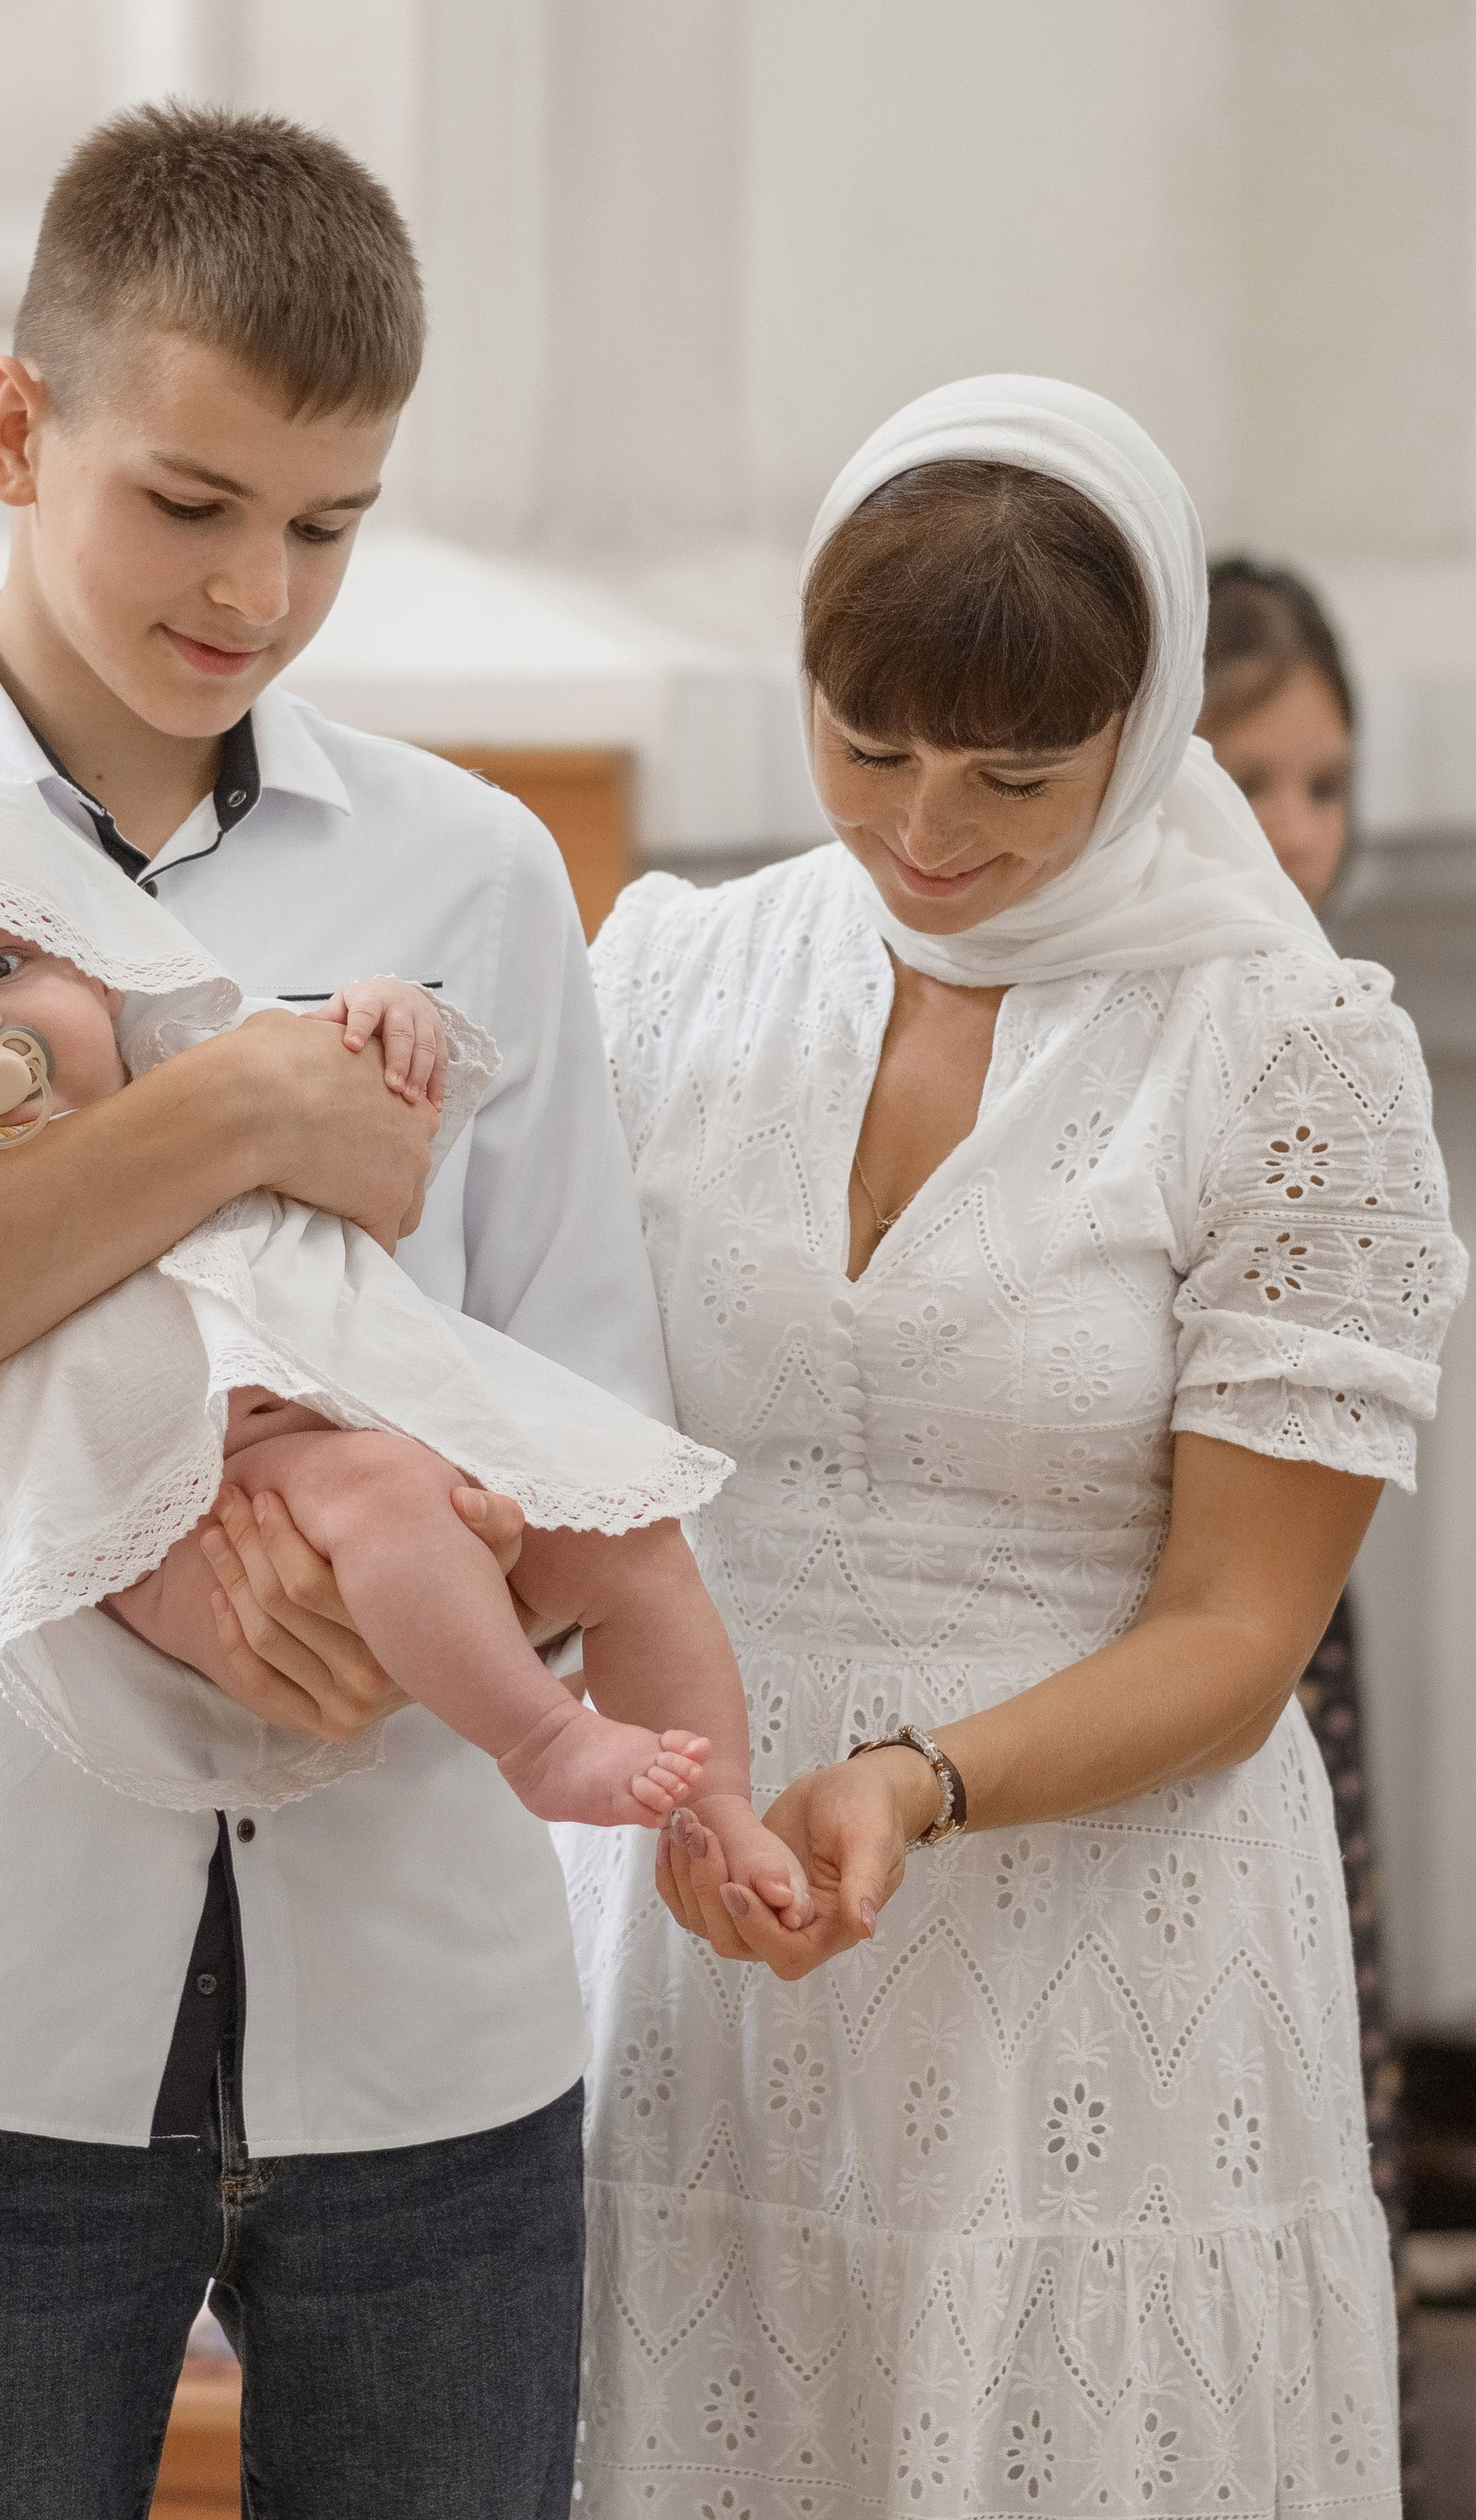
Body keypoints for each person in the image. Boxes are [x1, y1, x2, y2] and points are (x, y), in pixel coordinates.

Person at [0, 105, 671, 2520]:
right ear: (17, 426)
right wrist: (234, 1114)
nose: (258, 593)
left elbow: (585, 1394)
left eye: (329, 525)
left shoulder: (475, 871)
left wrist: (417, 1600)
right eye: (190, 503)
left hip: (437, 2030)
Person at [555, 381, 1463, 2514]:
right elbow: (557, 1437)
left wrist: (919, 1780)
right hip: (698, 1915)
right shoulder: (675, 975)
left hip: (1093, 1949)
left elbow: (1240, 1627)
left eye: (1014, 777)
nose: (927, 829)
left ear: (1141, 734)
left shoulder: (1287, 1049)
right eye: (865, 746)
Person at [0, 708, 806, 1881]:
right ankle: (544, 1741)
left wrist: (389, 1016)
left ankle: (718, 1807)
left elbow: (328, 1074)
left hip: (372, 1424)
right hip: (176, 1511)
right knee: (382, 1493)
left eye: (3, 966)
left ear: (95, 978)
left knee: (626, 1529)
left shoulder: (175, 1053)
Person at [1195, 557, 1408, 2278]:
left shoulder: (1336, 1024)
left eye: (1324, 786)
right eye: (1251, 777)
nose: (1296, 829)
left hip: (1279, 1604)